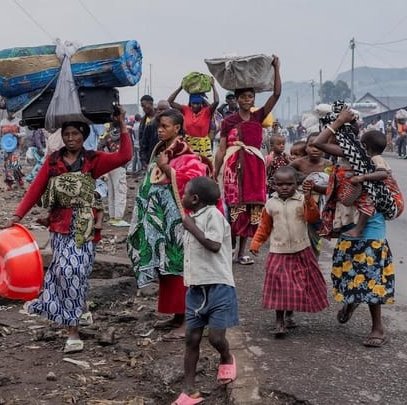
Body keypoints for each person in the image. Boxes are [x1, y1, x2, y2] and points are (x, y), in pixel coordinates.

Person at [9, 110, 132, 354]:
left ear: (83, 136)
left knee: (75, 270)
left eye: (75, 133)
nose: (71, 138)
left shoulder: (93, 160)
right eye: (66, 134)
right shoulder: (54, 161)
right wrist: (16, 216)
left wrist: (123, 126)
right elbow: (36, 188)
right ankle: (75, 321)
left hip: (84, 226)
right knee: (68, 271)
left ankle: (76, 319)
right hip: (59, 225)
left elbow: (124, 156)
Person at [311, 107, 398, 348]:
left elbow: (381, 180)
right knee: (348, 270)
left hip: (372, 225)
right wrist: (338, 121)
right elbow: (318, 143)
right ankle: (351, 301)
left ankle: (377, 326)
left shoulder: (371, 160)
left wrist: (361, 179)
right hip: (347, 223)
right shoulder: (348, 155)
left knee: (370, 275)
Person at [128, 109, 214, 340]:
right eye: (159, 126)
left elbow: (195, 182)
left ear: (177, 128)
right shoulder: (163, 150)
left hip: (178, 223)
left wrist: (168, 170)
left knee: (181, 269)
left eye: (165, 126)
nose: (160, 130)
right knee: (167, 268)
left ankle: (189, 321)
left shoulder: (186, 154)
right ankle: (177, 315)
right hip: (163, 222)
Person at [171, 176, 237, 405]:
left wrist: (191, 226)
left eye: (186, 193)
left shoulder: (213, 216)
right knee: (192, 338)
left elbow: (214, 245)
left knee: (216, 339)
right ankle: (188, 389)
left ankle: (227, 356)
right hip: (196, 289)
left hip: (219, 286)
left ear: (196, 199)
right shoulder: (193, 217)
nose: (183, 197)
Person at [214, 55, 281, 265]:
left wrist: (277, 68)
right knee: (234, 209)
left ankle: (241, 252)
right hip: (233, 168)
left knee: (251, 209)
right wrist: (214, 171)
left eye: (250, 97)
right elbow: (222, 149)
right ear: (237, 99)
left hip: (254, 168)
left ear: (253, 99)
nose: (246, 100)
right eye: (242, 97)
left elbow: (276, 94)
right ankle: (231, 249)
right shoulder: (228, 121)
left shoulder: (258, 116)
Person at [249, 167, 329, 338]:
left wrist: (308, 200)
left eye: (289, 184)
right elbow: (264, 226)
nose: (285, 187)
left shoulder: (302, 200)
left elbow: (312, 218)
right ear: (273, 185)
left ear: (296, 184)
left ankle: (290, 313)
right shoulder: (270, 204)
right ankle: (279, 322)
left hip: (301, 249)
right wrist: (256, 242)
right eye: (280, 184)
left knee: (295, 284)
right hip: (278, 250)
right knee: (279, 285)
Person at [342, 130, 392, 238]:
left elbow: (383, 173)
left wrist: (362, 177)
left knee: (367, 203)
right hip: (378, 192)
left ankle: (358, 229)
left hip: (379, 194)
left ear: (364, 146)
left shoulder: (375, 159)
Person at [167, 77, 220, 158]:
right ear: (190, 103)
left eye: (198, 103)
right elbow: (170, 101)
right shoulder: (185, 110)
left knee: (204, 167)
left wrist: (213, 86)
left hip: (203, 146)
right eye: (193, 103)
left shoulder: (207, 111)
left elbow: (216, 101)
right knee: (189, 166)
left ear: (201, 104)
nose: (195, 106)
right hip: (189, 145)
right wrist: (181, 87)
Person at [97, 124, 130, 227]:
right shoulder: (124, 135)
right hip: (120, 166)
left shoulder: (108, 136)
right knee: (120, 191)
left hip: (110, 165)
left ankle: (112, 217)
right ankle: (118, 218)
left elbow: (99, 147)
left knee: (112, 192)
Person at [138, 95, 157, 168]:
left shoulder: (160, 117)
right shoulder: (143, 121)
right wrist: (143, 159)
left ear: (151, 104)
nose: (143, 108)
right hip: (149, 155)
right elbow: (141, 140)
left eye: (144, 105)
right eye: (142, 106)